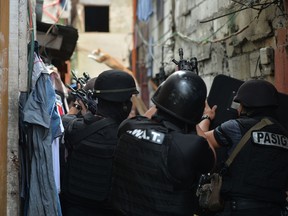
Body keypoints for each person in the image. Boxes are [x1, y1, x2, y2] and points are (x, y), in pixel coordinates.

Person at [111, 71, 216, 216]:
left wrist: (165, 96)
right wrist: (203, 118)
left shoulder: (128, 126)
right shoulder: (190, 146)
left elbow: (149, 117)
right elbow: (212, 159)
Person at [200, 79, 288, 216]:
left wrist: (206, 116)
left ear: (246, 105)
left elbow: (201, 140)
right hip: (275, 210)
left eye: (239, 104)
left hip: (239, 209)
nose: (238, 109)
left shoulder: (237, 126)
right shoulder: (283, 133)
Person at [61, 69, 139, 216]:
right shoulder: (128, 139)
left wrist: (81, 106)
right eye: (129, 100)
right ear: (124, 105)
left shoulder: (73, 128)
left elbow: (67, 119)